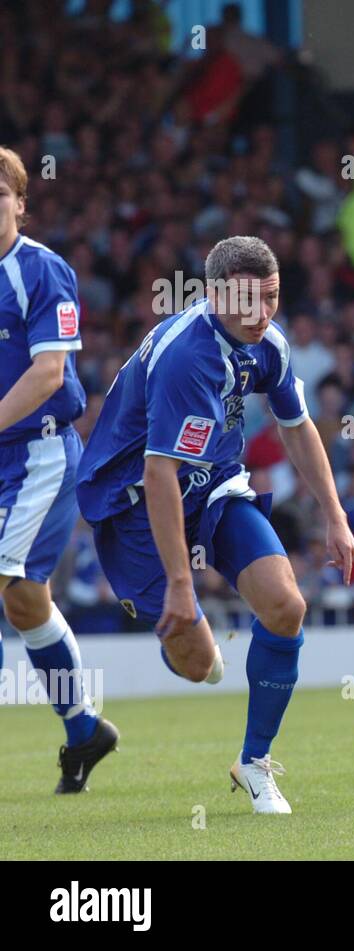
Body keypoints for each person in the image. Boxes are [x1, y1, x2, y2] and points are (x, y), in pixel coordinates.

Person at [76, 235, 354, 813]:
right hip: (135, 504)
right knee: (198, 663)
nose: (261, 314)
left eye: (273, 298)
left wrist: (336, 518)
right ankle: (194, 639)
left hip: (213, 484)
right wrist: (183, 586)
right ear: (212, 295)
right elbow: (159, 475)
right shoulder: (188, 358)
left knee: (286, 607)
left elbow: (297, 426)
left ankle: (254, 763)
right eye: (247, 302)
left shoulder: (270, 345)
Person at [0, 145, 117, 794]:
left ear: (20, 201)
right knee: (24, 601)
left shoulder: (43, 271)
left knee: (4, 581)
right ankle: (83, 729)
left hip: (39, 453)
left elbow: (49, 374)